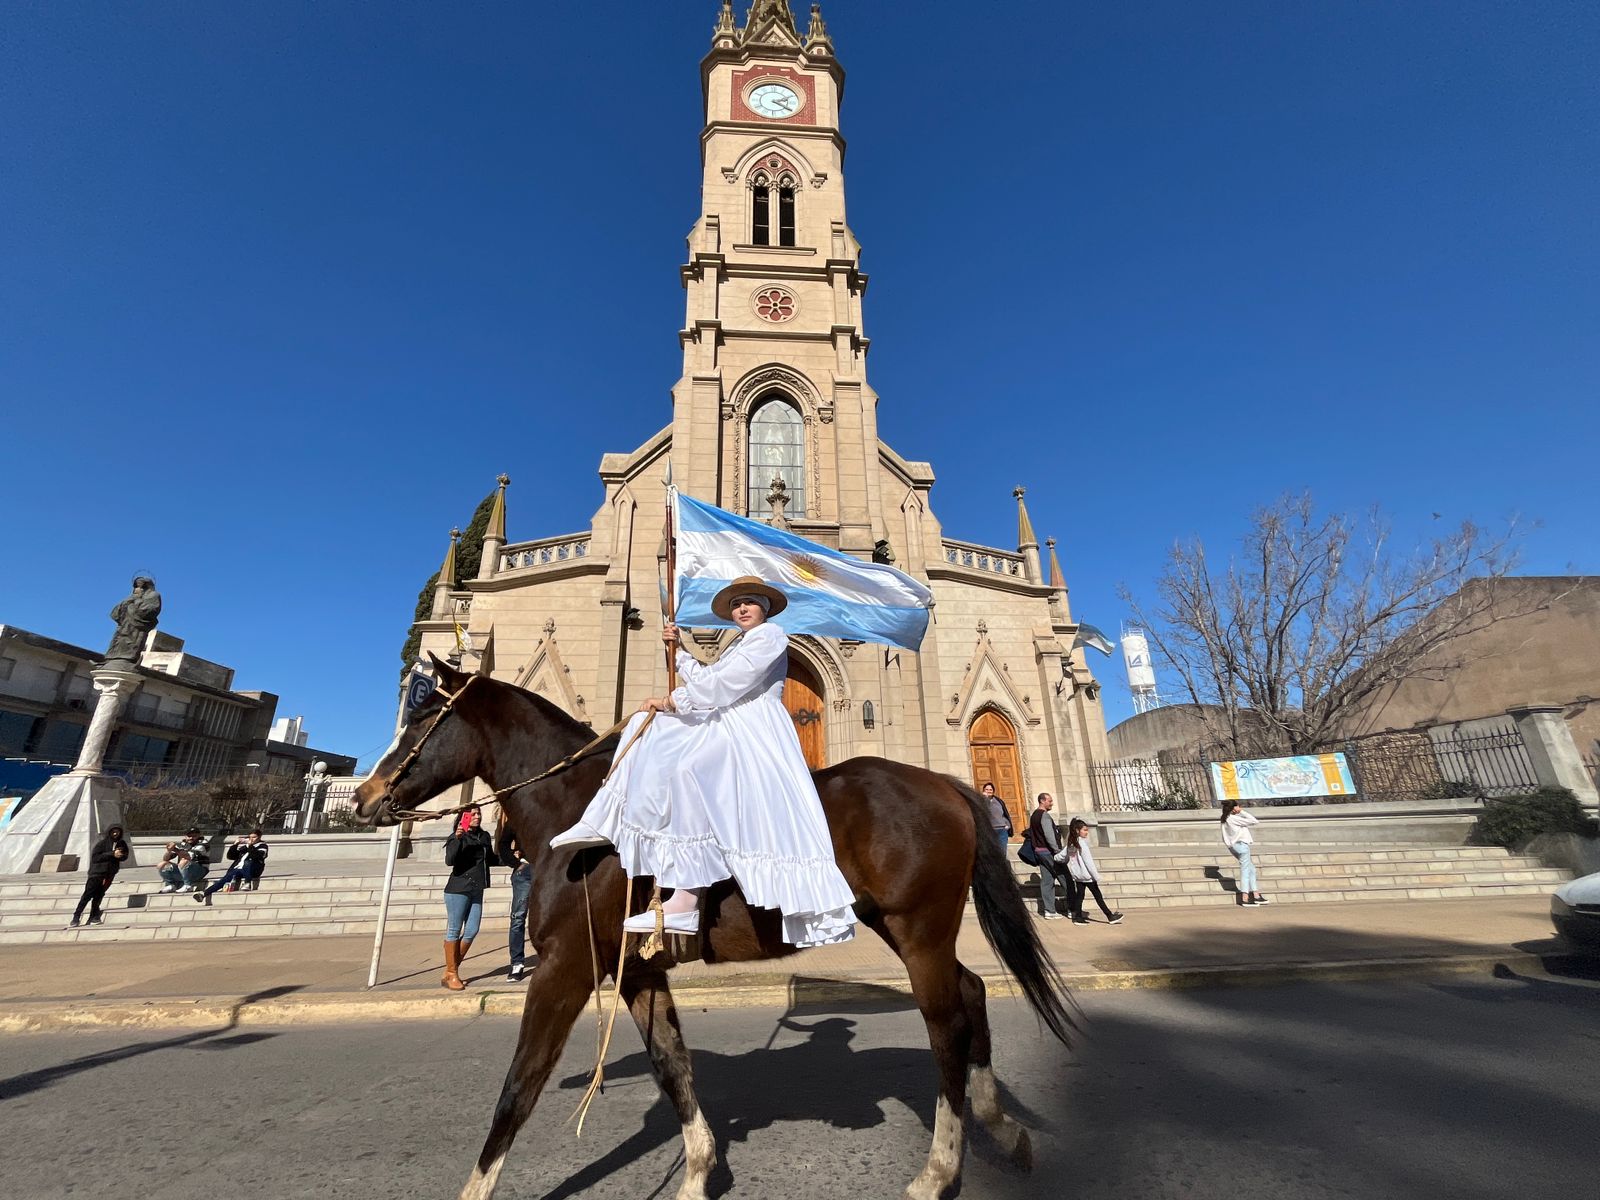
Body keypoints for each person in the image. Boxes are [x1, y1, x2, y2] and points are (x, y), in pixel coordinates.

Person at [551, 576, 856, 947]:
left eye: (749, 602)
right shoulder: (741, 643)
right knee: (644, 728)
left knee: (687, 770)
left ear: (765, 608)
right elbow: (711, 677)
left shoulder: (770, 636)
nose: (741, 609)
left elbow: (726, 685)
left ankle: (684, 900)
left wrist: (671, 701)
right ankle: (603, 818)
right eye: (736, 604)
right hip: (724, 719)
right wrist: (677, 651)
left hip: (750, 728)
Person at [442, 806, 497, 990]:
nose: (477, 816)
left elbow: (491, 859)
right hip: (458, 889)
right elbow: (450, 860)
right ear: (462, 817)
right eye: (472, 814)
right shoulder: (457, 837)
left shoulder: (484, 836)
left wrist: (513, 858)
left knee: (472, 929)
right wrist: (457, 838)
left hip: (477, 888)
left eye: (478, 813)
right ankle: (452, 973)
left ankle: (450, 969)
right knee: (454, 930)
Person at [1056, 817, 1123, 925]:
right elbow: (1089, 863)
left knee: (1080, 896)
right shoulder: (1081, 844)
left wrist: (1054, 858)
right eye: (1084, 830)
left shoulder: (1071, 843)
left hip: (1078, 876)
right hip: (1087, 876)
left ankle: (1078, 917)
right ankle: (1110, 916)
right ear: (1078, 831)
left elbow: (1062, 856)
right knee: (1098, 897)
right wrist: (1096, 876)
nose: (1086, 832)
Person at [70, 824, 129, 927]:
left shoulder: (122, 843)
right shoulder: (102, 844)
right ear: (110, 832)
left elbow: (125, 856)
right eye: (113, 831)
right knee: (87, 895)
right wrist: (112, 854)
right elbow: (95, 858)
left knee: (99, 895)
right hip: (97, 874)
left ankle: (94, 916)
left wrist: (120, 855)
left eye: (117, 832)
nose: (115, 834)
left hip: (109, 874)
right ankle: (76, 916)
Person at [194, 830, 270, 903]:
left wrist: (250, 846)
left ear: (259, 837)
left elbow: (258, 856)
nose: (251, 839)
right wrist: (235, 845)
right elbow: (231, 856)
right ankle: (204, 894)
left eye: (254, 837)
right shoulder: (245, 847)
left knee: (248, 862)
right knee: (223, 880)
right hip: (239, 869)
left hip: (253, 869)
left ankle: (247, 883)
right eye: (250, 837)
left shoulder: (263, 846)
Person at [1221, 799, 1269, 906]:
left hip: (1233, 847)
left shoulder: (1224, 819)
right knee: (1246, 870)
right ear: (1234, 808)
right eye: (1237, 806)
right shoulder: (1233, 818)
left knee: (1252, 869)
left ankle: (1256, 895)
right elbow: (1254, 821)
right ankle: (1245, 897)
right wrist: (1241, 812)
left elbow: (1224, 837)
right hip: (1241, 846)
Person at [1027, 793, 1067, 920]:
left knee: (1047, 880)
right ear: (1042, 801)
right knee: (1065, 877)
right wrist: (1057, 851)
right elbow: (1049, 835)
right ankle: (1073, 907)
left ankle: (1049, 910)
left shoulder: (1034, 815)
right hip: (1048, 851)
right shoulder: (1044, 816)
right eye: (1049, 801)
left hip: (1039, 852)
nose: (1052, 803)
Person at [506, 833, 534, 981]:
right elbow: (503, 843)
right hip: (525, 871)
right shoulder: (517, 817)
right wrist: (514, 862)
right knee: (518, 918)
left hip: (547, 868)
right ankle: (517, 963)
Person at [982, 782, 1012, 851]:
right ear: (983, 790)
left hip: (1002, 830)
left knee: (1002, 851)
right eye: (986, 789)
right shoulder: (981, 801)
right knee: (992, 852)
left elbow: (1004, 814)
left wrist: (1007, 824)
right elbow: (984, 810)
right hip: (990, 830)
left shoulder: (998, 801)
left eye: (990, 789)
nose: (989, 791)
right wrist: (985, 798)